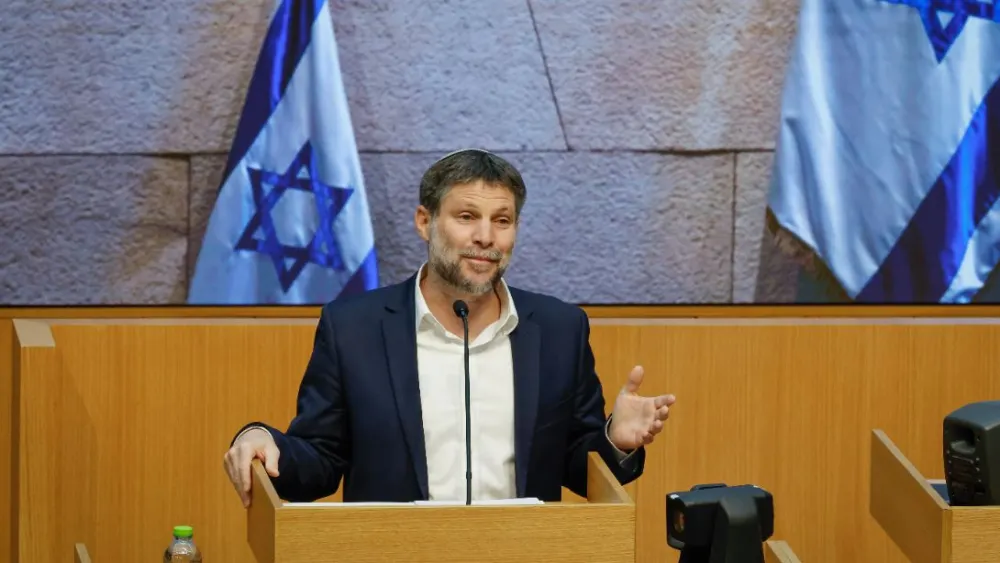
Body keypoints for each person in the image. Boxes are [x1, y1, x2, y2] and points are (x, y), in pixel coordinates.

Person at [223, 149, 677, 506]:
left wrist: (614, 440)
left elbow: (577, 466)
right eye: (466, 217)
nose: (486, 237)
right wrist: (262, 438)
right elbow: (320, 460)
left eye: (502, 221)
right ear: (425, 222)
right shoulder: (354, 328)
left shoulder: (560, 329)